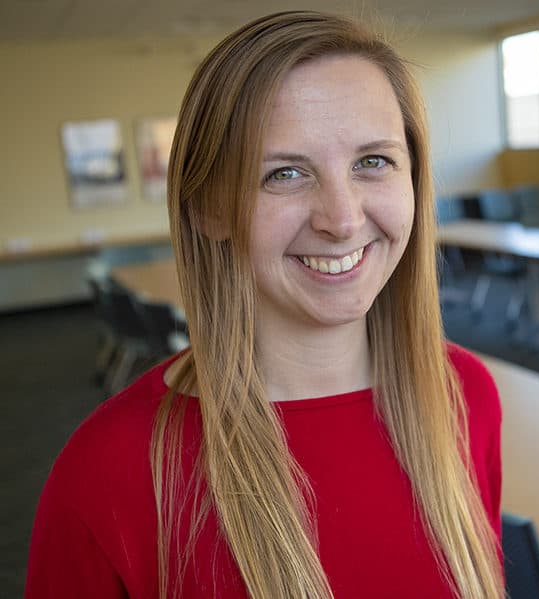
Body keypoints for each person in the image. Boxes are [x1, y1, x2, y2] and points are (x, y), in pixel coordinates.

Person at [26, 10, 504, 599]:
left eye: (372, 161)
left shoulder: (465, 396)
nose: (344, 219)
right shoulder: (108, 472)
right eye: (284, 173)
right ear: (209, 209)